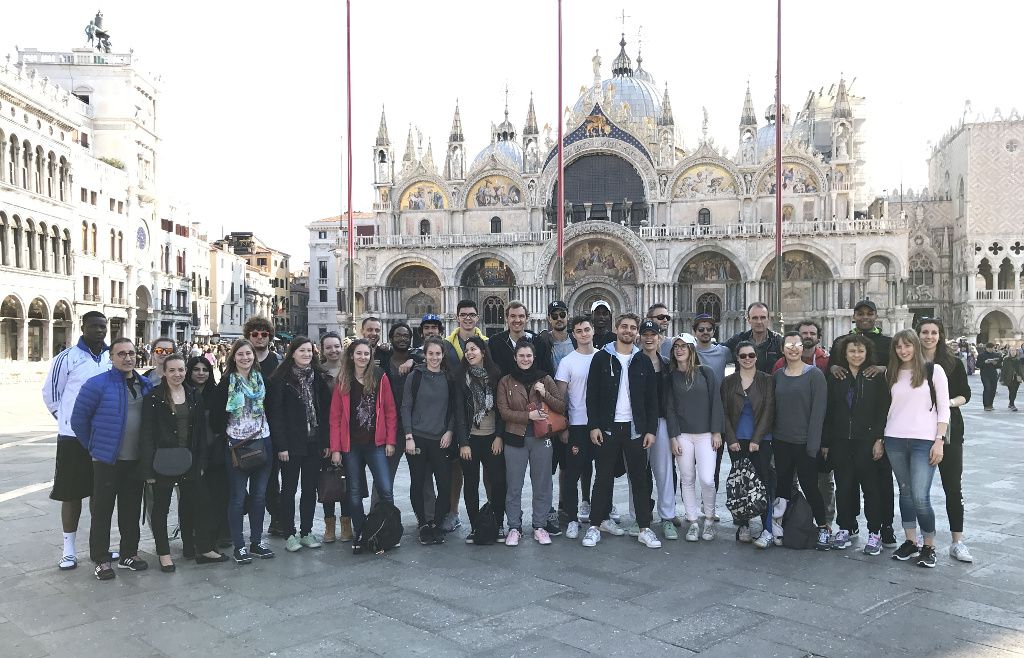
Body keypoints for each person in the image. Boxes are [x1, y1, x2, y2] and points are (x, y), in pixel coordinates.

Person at [70, 337, 154, 580]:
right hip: (107, 461)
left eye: (131, 353)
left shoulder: (145, 384)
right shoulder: (96, 384)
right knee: (102, 510)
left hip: (135, 460)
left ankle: (129, 554)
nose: (128, 358)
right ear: (111, 357)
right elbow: (78, 420)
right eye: (121, 354)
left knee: (130, 509)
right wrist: (95, 447)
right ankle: (101, 559)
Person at [140, 354, 228, 571]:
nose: (177, 374)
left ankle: (204, 548)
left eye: (181, 370)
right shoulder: (154, 397)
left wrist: (200, 462)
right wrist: (148, 468)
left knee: (202, 503)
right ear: (165, 372)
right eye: (172, 370)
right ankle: (164, 553)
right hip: (163, 461)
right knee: (161, 508)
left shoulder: (192, 395)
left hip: (189, 460)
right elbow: (147, 434)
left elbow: (198, 433)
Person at [582, 313, 662, 549]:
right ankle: (595, 526)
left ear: (636, 332)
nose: (628, 331)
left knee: (639, 480)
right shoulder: (601, 358)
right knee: (603, 478)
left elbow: (651, 400)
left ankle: (644, 528)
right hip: (607, 427)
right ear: (616, 329)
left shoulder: (643, 361)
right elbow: (591, 395)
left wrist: (651, 430)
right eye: (624, 326)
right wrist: (594, 425)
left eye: (632, 328)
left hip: (635, 429)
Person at [42, 311, 111, 571]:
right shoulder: (67, 358)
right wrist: (68, 421)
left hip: (103, 437)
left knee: (100, 494)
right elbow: (51, 394)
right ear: (83, 327)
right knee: (70, 494)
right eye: (94, 326)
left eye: (103, 326)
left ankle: (98, 546)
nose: (99, 331)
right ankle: (68, 550)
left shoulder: (110, 357)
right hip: (72, 438)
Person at [828, 299, 897, 548]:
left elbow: (897, 373)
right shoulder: (840, 342)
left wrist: (883, 368)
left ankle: (882, 527)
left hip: (870, 435)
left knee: (878, 484)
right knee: (845, 483)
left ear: (876, 316)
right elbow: (831, 375)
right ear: (854, 316)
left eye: (870, 313)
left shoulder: (888, 343)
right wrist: (834, 365)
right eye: (860, 313)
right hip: (843, 436)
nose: (865, 317)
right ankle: (848, 525)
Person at [884, 329, 949, 568]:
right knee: (905, 491)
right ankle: (911, 541)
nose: (903, 351)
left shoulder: (934, 370)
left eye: (907, 345)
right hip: (894, 439)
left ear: (915, 346)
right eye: (899, 347)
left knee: (921, 496)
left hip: (924, 440)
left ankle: (929, 545)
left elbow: (944, 409)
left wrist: (939, 440)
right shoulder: (892, 372)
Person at [209, 338, 275, 564]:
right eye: (240, 355)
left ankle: (256, 542)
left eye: (248, 354)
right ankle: (239, 545)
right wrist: (227, 434)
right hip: (236, 445)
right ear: (233, 358)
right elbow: (217, 415)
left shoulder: (262, 380)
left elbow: (272, 408)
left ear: (253, 357)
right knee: (237, 497)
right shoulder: (226, 382)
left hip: (263, 441)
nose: (245, 358)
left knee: (259, 496)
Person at [329, 338, 397, 554]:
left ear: (371, 356)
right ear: (351, 356)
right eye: (359, 353)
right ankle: (360, 532)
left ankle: (388, 529)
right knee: (355, 492)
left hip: (375, 443)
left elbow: (389, 411)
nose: (363, 357)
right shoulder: (343, 380)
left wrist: (390, 440)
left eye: (366, 354)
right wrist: (336, 448)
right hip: (351, 446)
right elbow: (336, 417)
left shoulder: (379, 377)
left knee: (385, 489)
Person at [496, 340, 566, 546]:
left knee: (543, 484)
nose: (525, 359)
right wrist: (529, 416)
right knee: (514, 485)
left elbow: (561, 406)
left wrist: (544, 393)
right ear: (515, 358)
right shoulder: (505, 381)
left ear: (534, 357)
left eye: (528, 356)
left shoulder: (545, 378)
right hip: (514, 439)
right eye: (521, 356)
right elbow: (504, 412)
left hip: (541, 438)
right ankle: (514, 527)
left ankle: (540, 525)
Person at [267, 337, 332, 553]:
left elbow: (324, 412)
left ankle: (306, 531)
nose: (306, 354)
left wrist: (326, 441)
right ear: (292, 352)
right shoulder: (280, 379)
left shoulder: (318, 378)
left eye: (309, 351)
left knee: (309, 489)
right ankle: (289, 533)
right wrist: (281, 446)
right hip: (291, 443)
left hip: (313, 442)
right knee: (288, 488)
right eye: (302, 351)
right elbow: (276, 415)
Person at [918, 318, 974, 563]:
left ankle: (957, 541)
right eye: (925, 332)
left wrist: (946, 405)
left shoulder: (953, 363)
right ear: (918, 334)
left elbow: (966, 395)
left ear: (940, 335)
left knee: (952, 486)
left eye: (934, 332)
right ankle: (921, 539)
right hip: (918, 430)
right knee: (919, 490)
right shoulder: (911, 361)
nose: (929, 336)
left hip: (950, 430)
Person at [772, 320, 835, 529]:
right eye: (788, 345)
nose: (793, 349)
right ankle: (779, 525)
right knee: (782, 485)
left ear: (803, 348)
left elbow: (818, 413)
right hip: (781, 441)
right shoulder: (778, 375)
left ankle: (823, 526)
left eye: (797, 345)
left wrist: (813, 446)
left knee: (810, 486)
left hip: (805, 443)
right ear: (782, 349)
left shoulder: (815, 375)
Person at [666, 333, 724, 542]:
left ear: (692, 349)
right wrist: (673, 437)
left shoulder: (706, 373)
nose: (679, 350)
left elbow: (716, 402)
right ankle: (692, 521)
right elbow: (670, 408)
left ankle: (708, 519)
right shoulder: (671, 376)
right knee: (687, 479)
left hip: (706, 434)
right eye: (676, 347)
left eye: (684, 346)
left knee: (708, 479)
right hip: (682, 435)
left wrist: (716, 431)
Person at [402, 336, 457, 546]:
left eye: (438, 354)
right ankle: (423, 524)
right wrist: (408, 436)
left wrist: (450, 431)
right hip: (417, 438)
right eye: (431, 353)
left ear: (443, 356)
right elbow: (406, 406)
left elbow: (453, 408)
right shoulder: (415, 376)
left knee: (444, 484)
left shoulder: (449, 378)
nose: (434, 357)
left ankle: (437, 523)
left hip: (440, 439)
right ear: (424, 355)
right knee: (418, 482)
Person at [723, 341, 776, 549]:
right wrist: (731, 439)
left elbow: (769, 410)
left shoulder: (767, 380)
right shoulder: (728, 382)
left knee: (763, 483)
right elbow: (724, 413)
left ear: (756, 357)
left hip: (761, 440)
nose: (747, 359)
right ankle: (743, 525)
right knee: (740, 484)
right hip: (737, 440)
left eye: (751, 355)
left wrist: (756, 439)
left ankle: (767, 529)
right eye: (743, 356)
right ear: (737, 357)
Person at [455, 335, 507, 544]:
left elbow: (502, 410)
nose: (469, 353)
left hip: (492, 438)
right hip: (471, 440)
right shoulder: (461, 378)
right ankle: (476, 526)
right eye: (467, 350)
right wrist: (463, 443)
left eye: (473, 349)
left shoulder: (496, 375)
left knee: (498, 483)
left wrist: (499, 437)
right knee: (471, 484)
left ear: (483, 352)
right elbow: (459, 412)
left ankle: (498, 523)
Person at [555, 316, 598, 539]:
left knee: (602, 471)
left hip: (600, 424)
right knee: (572, 472)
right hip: (577, 425)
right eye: (579, 331)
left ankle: (597, 510)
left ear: (593, 331)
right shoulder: (567, 362)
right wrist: (563, 426)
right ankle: (572, 518)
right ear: (574, 335)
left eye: (587, 329)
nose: (583, 334)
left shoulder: (603, 357)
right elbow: (560, 398)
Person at [186, 355, 230, 549]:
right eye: (196, 369)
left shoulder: (217, 391)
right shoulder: (183, 392)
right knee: (195, 496)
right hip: (191, 451)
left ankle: (222, 532)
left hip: (215, 451)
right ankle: (195, 535)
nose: (201, 373)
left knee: (219, 492)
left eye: (205, 370)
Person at [244, 317, 282, 535]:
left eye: (264, 334)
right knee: (243, 477)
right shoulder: (242, 359)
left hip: (271, 427)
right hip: (245, 429)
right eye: (255, 334)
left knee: (270, 477)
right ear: (248, 336)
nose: (259, 337)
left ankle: (276, 518)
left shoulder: (277, 361)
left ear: (269, 336)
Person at [638, 320, 675, 539]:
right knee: (638, 473)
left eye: (654, 334)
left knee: (664, 472)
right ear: (640, 337)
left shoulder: (667, 364)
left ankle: (667, 517)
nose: (649, 338)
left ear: (660, 338)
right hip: (639, 423)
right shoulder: (633, 362)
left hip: (661, 422)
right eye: (645, 334)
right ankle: (638, 516)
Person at [318, 331, 352, 543]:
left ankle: (346, 524)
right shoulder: (317, 372)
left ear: (342, 347)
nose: (333, 350)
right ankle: (329, 525)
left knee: (347, 480)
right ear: (322, 350)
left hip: (348, 433)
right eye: (328, 347)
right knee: (327, 479)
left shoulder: (350, 370)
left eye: (336, 346)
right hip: (326, 432)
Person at [722, 302, 783, 374]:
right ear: (748, 320)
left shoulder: (778, 341)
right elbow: (716, 352)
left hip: (770, 384)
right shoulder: (739, 339)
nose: (759, 322)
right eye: (755, 318)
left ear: (768, 319)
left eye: (763, 317)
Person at [977, 342, 1002, 411]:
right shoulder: (981, 355)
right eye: (990, 348)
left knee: (993, 389)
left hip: (993, 374)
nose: (991, 350)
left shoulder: (996, 355)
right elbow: (977, 365)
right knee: (987, 388)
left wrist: (995, 363)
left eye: (992, 348)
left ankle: (990, 404)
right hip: (985, 374)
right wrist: (985, 362)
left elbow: (1000, 365)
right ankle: (986, 405)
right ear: (986, 348)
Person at [1001, 346, 1022, 412]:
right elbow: (1003, 369)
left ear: (1016, 352)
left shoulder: (1018, 359)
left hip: (1017, 378)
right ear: (1009, 352)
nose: (1013, 352)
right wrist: (1002, 378)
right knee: (1011, 391)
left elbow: (1021, 370)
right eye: (1012, 350)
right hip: (1009, 378)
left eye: (1014, 350)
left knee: (1014, 391)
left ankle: (1011, 403)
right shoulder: (1006, 359)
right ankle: (1012, 404)